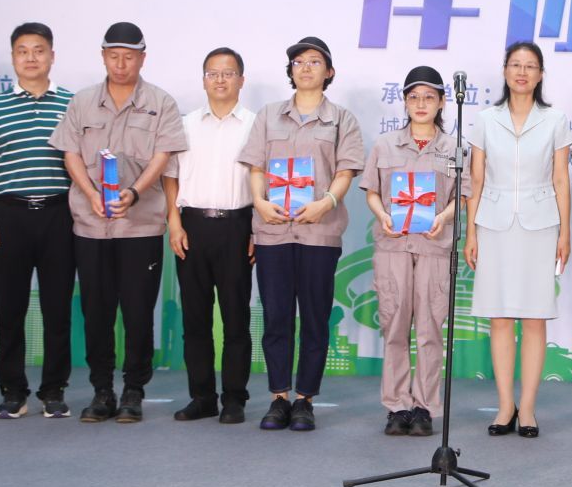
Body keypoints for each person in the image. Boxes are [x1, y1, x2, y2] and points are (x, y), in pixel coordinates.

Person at [50, 22, 186, 424]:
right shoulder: (82, 102)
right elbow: (70, 153)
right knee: (97, 311)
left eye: (129, 56)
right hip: (91, 224)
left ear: (142, 58)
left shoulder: (160, 102)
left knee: (138, 312)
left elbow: (163, 155)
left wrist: (135, 192)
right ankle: (102, 390)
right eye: (114, 56)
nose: (121, 64)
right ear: (103, 56)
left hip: (140, 224)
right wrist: (91, 193)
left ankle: (133, 390)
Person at [239, 36, 365, 433]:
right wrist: (259, 203)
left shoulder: (342, 119)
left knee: (314, 317)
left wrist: (326, 203)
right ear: (290, 71)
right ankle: (279, 397)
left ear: (329, 72)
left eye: (314, 61)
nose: (305, 67)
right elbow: (255, 166)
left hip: (319, 231)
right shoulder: (268, 115)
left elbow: (346, 171)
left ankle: (305, 399)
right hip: (273, 230)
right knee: (276, 316)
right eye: (298, 62)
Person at [0, 22, 76, 419]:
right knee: (9, 310)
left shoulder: (72, 104)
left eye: (38, 50)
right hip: (8, 215)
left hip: (59, 215)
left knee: (57, 309)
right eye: (22, 51)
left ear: (52, 55)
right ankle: (13, 391)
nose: (31, 58)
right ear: (13, 57)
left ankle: (54, 390)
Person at [466, 42, 572, 439]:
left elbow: (561, 179)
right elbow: (476, 179)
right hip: (493, 224)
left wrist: (565, 231)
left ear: (541, 74)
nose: (522, 72)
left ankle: (527, 407)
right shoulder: (484, 119)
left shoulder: (556, 119)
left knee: (533, 317)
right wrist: (470, 231)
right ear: (505, 71)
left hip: (540, 225)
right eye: (515, 65)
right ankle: (504, 406)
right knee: (499, 318)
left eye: (530, 66)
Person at [362, 66, 458, 436]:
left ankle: (424, 408)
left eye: (429, 97)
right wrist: (383, 215)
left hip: (434, 246)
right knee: (395, 326)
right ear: (404, 101)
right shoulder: (385, 145)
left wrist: (444, 217)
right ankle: (397, 407)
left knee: (430, 329)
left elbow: (463, 197)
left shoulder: (454, 149)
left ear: (441, 102)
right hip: (393, 245)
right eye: (414, 97)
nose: (421, 104)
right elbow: (372, 191)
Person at [162, 47, 256, 425]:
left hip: (238, 226)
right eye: (212, 73)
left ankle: (234, 398)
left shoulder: (255, 125)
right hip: (192, 227)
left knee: (236, 319)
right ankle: (201, 397)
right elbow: (170, 176)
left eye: (228, 73)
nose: (220, 79)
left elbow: (263, 181)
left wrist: (256, 229)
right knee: (195, 319)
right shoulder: (184, 124)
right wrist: (174, 222)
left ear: (241, 80)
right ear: (203, 80)